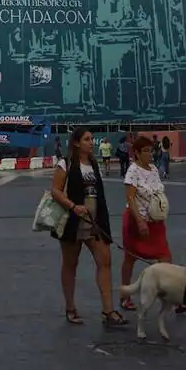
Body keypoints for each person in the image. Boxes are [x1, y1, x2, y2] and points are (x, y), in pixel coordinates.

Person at [48, 127, 126, 328]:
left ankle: (108, 310)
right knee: (70, 264)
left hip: (95, 222)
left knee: (105, 261)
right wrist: (73, 206)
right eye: (87, 139)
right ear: (76, 143)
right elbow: (55, 191)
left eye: (92, 139)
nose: (92, 143)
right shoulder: (65, 164)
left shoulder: (93, 163)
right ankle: (70, 307)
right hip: (72, 221)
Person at [118, 136, 182, 314]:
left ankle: (175, 297)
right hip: (137, 221)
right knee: (130, 258)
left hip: (156, 222)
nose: (149, 154)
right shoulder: (133, 171)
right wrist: (139, 221)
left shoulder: (153, 169)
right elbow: (130, 198)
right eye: (145, 151)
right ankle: (125, 295)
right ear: (136, 153)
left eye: (150, 150)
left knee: (165, 258)